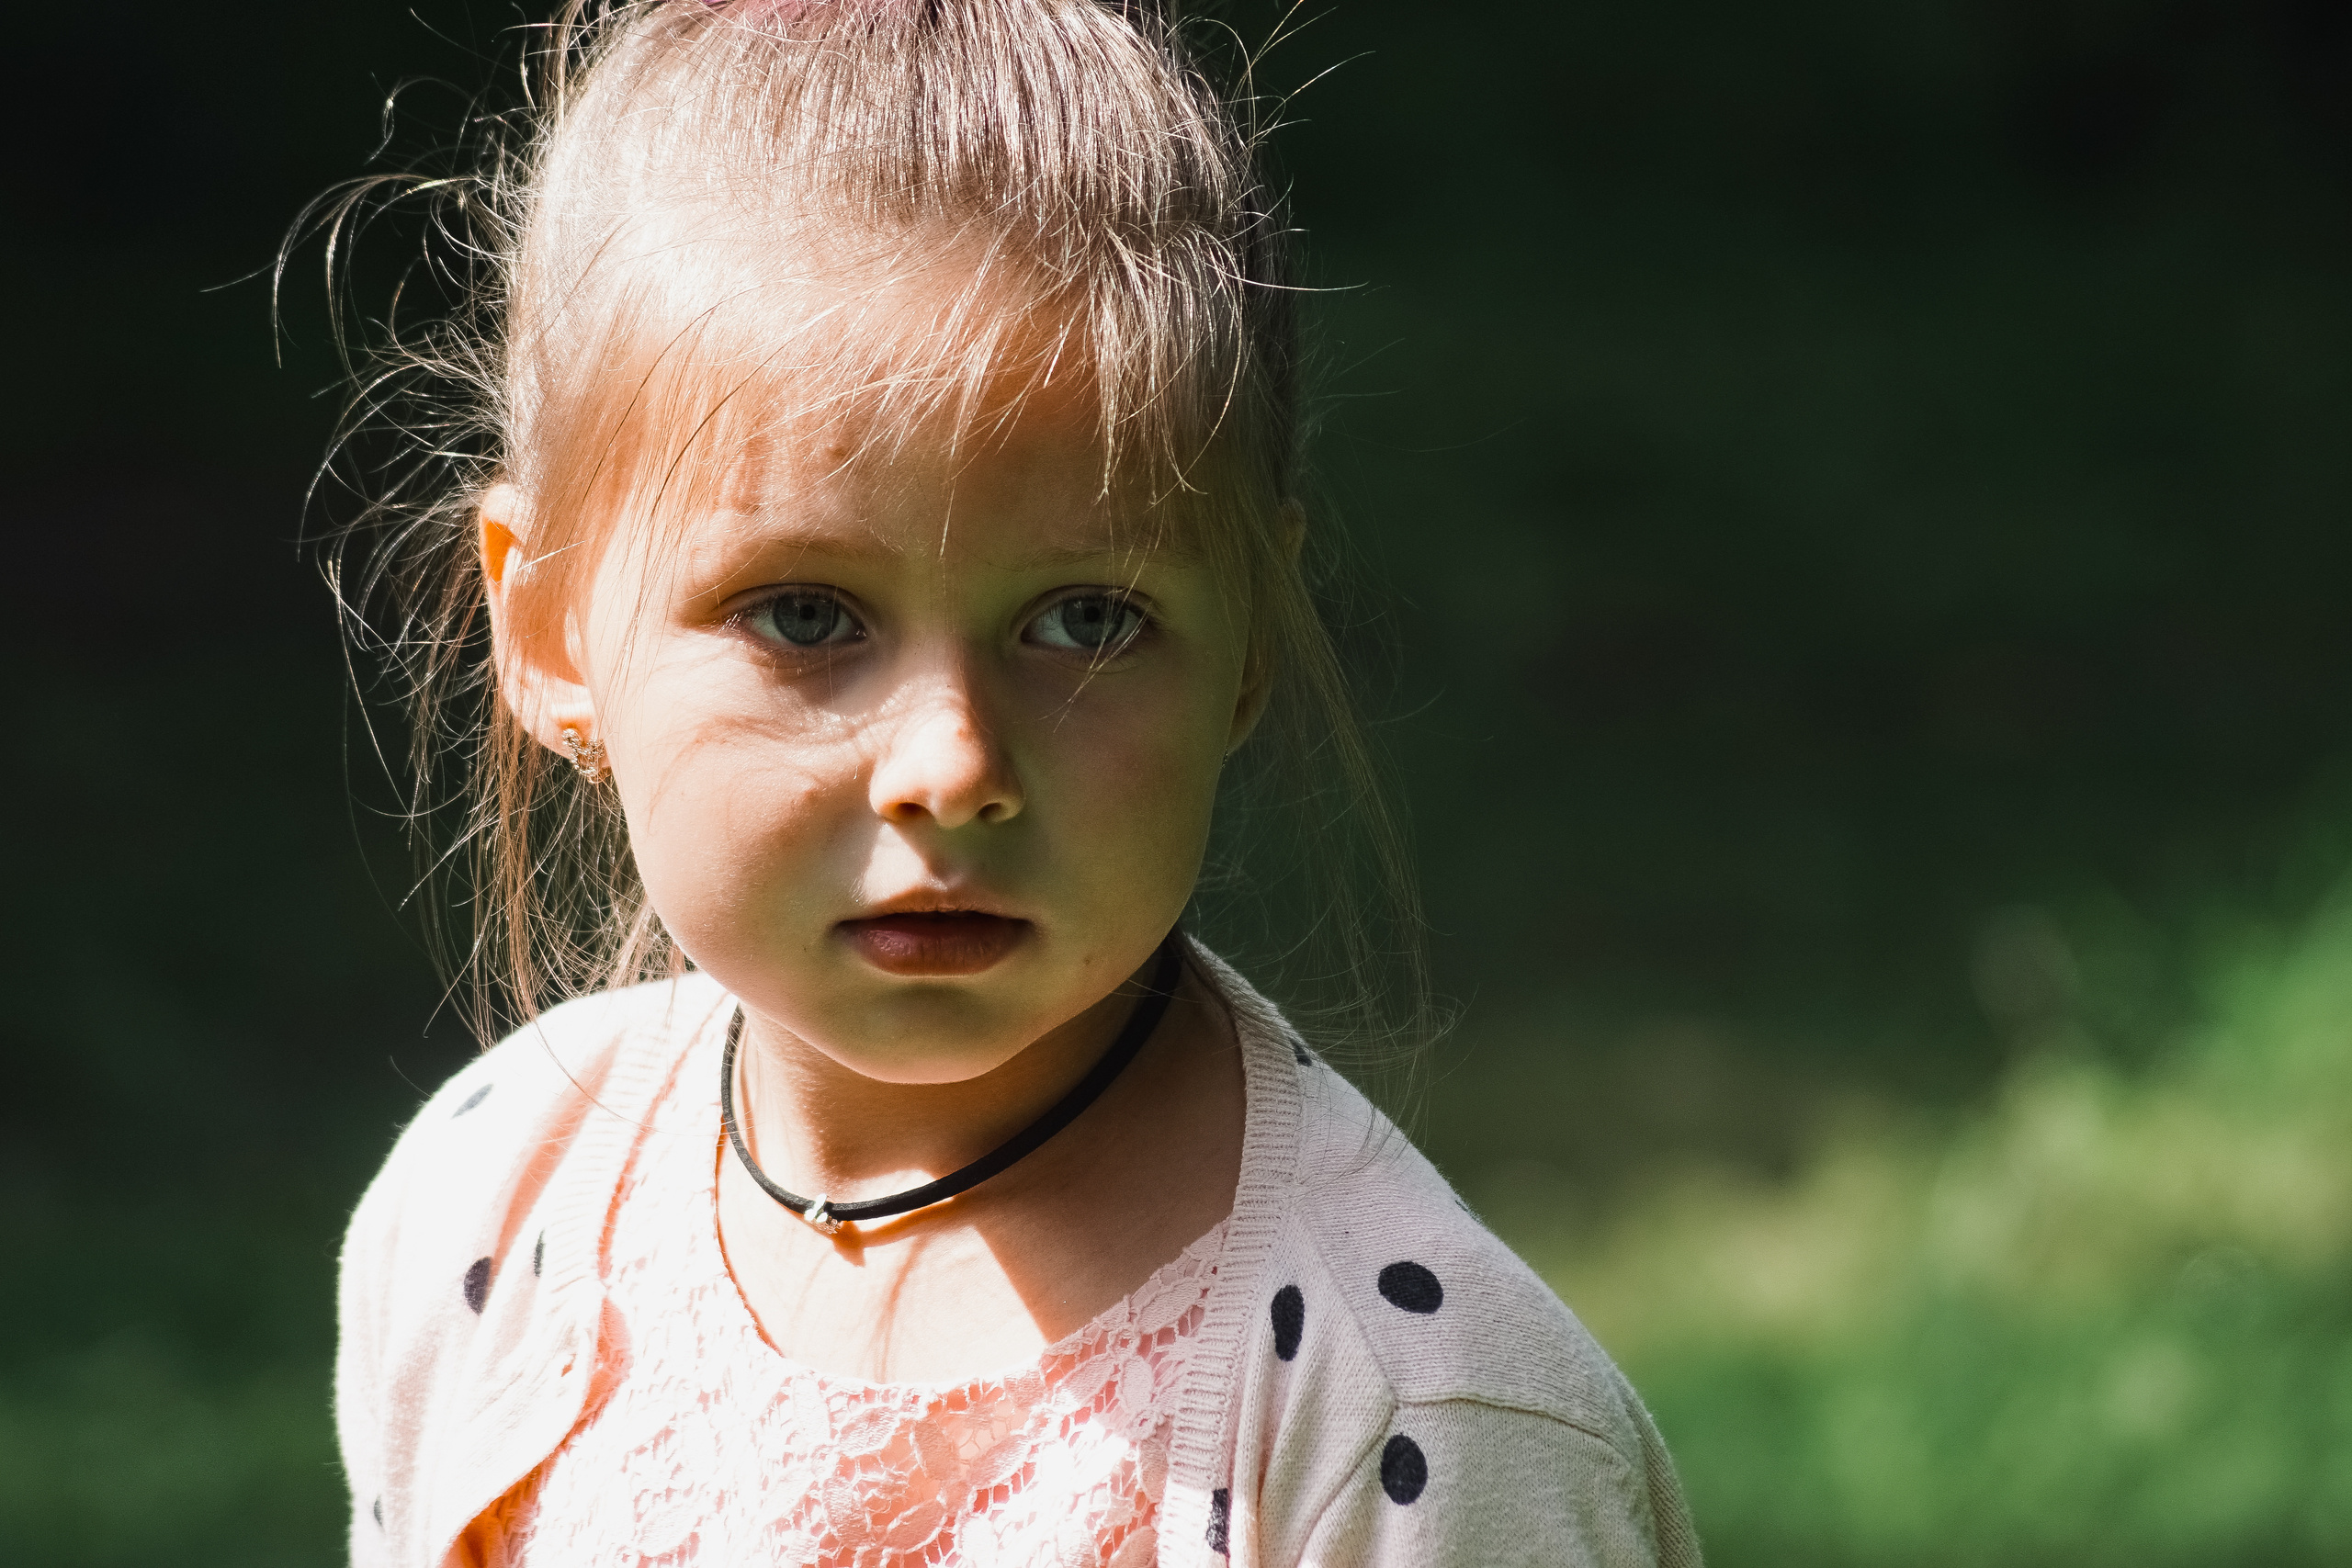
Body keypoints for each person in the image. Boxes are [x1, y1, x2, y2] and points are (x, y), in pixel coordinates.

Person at [324, 2, 1701, 1563]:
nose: (954, 767)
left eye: (1086, 621)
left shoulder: (1407, 1419)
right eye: (806, 615)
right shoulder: (491, 1206)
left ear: (1247, 635)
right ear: (551, 628)